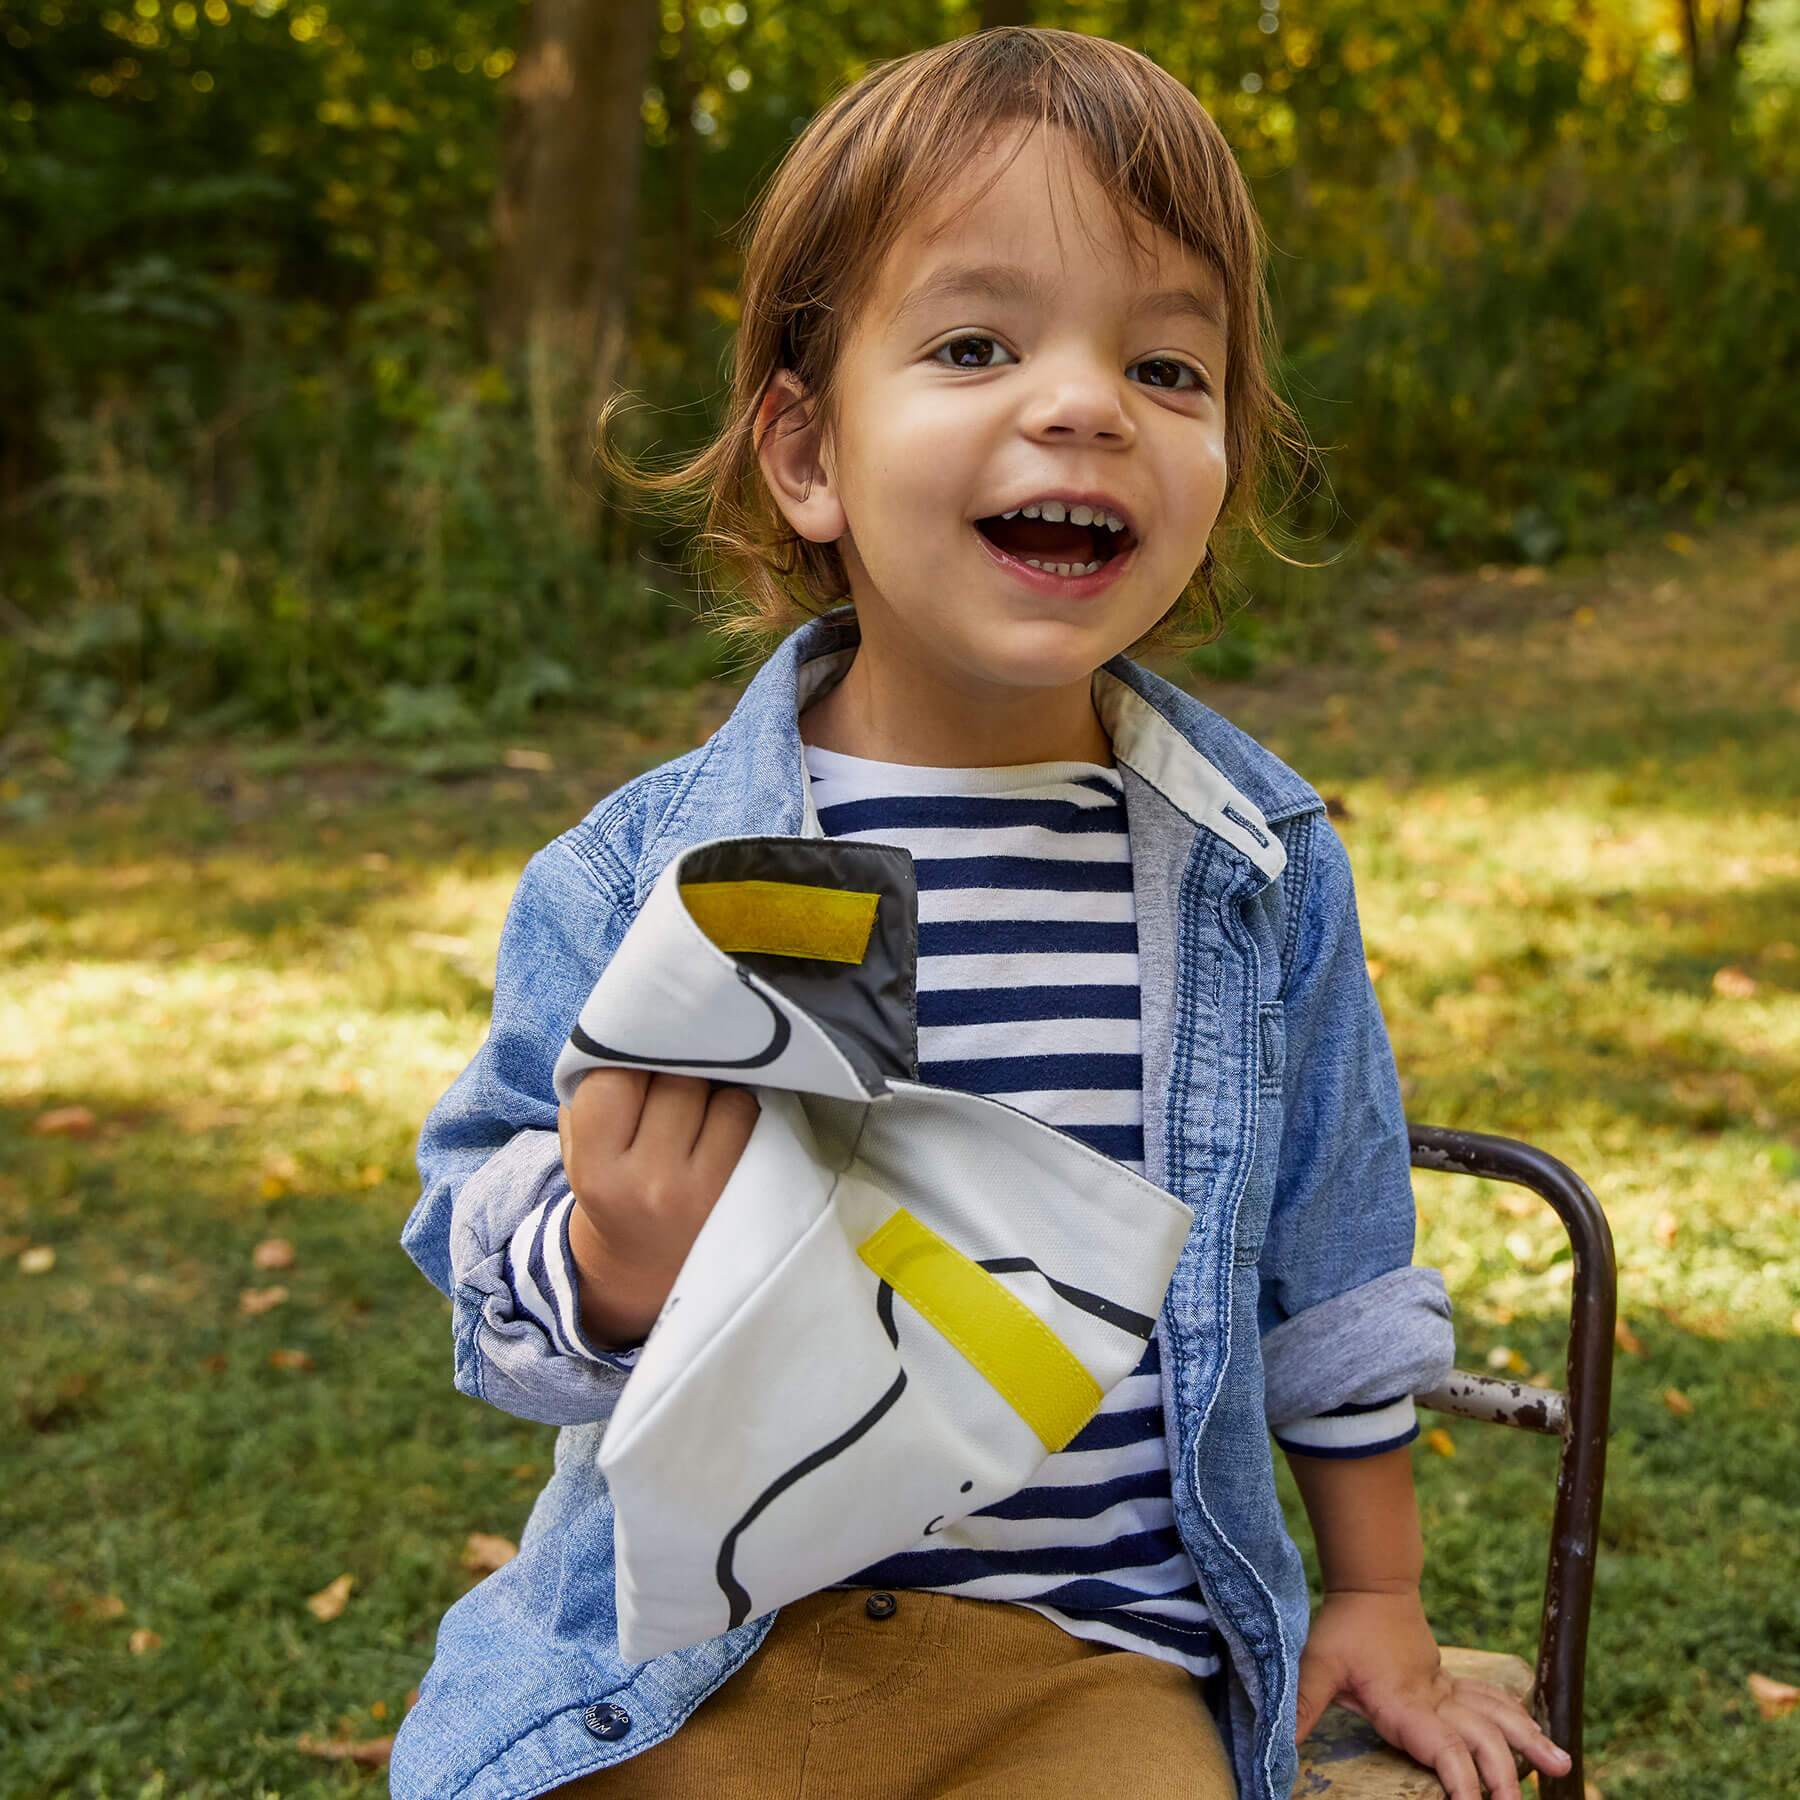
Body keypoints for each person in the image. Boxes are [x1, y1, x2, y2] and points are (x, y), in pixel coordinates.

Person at [391, 28, 1573, 1800]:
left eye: (1169, 366)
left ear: (1225, 458)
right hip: (701, 1658)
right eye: (974, 345)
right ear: (806, 453)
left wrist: (1381, 1594)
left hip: (1080, 1674)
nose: (1087, 401)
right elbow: (486, 1265)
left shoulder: (1257, 872)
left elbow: (1332, 1260)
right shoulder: (641, 875)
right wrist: (619, 1266)